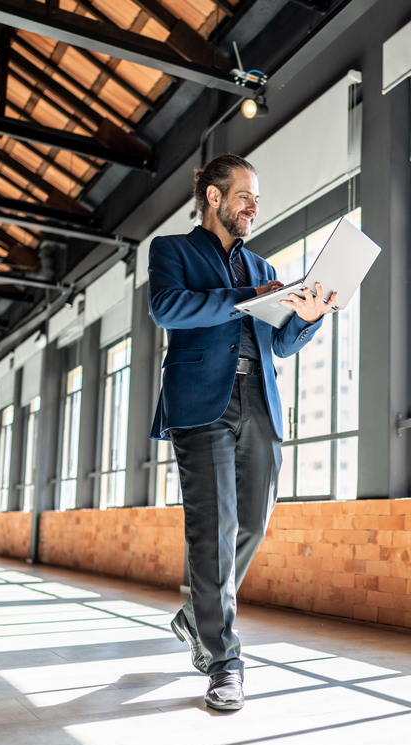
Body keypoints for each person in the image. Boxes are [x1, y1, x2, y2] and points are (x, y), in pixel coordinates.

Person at [148, 154, 337, 711]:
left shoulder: (262, 267)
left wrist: (308, 313)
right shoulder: (173, 251)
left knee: (251, 523)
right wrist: (244, 301)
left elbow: (278, 343)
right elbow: (167, 308)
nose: (254, 205)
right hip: (200, 406)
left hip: (259, 403)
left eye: (257, 197)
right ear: (212, 196)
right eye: (244, 195)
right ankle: (224, 661)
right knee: (216, 529)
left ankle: (195, 617)